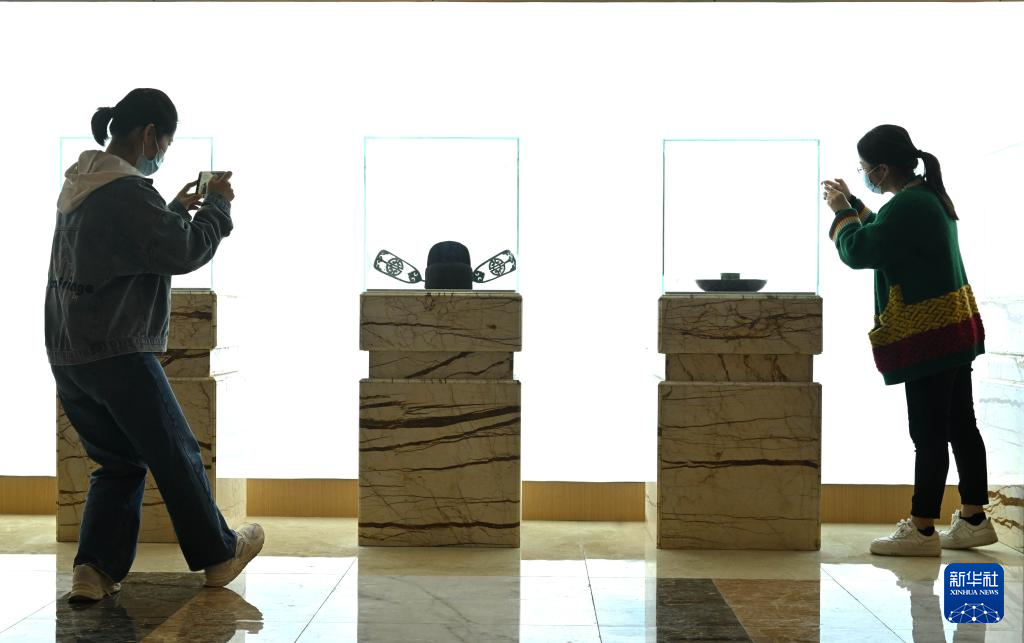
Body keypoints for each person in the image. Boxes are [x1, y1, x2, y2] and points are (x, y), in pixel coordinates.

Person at [46, 88, 264, 601]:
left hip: (69, 352)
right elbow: (183, 251)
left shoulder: (81, 185)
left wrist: (171, 209)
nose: (161, 153)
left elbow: (123, 247)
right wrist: (216, 206)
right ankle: (219, 555)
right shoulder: (127, 192)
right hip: (119, 350)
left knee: (118, 463)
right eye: (164, 143)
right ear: (148, 134)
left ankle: (94, 569)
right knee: (175, 452)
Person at [823, 124, 998, 557]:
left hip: (928, 337)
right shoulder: (925, 196)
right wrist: (854, 204)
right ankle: (974, 519)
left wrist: (841, 213)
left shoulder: (910, 205)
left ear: (882, 169)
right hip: (951, 331)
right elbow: (886, 232)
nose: (865, 174)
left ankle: (921, 529)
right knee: (960, 425)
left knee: (929, 433)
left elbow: (861, 250)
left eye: (865, 168)